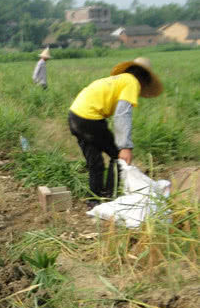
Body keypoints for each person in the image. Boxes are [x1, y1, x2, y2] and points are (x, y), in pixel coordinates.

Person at [68, 57, 163, 209]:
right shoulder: (132, 82)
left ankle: (94, 200)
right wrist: (125, 146)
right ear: (144, 80)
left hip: (75, 115)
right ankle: (110, 197)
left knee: (95, 162)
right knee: (117, 156)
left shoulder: (119, 80)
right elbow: (122, 113)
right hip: (90, 118)